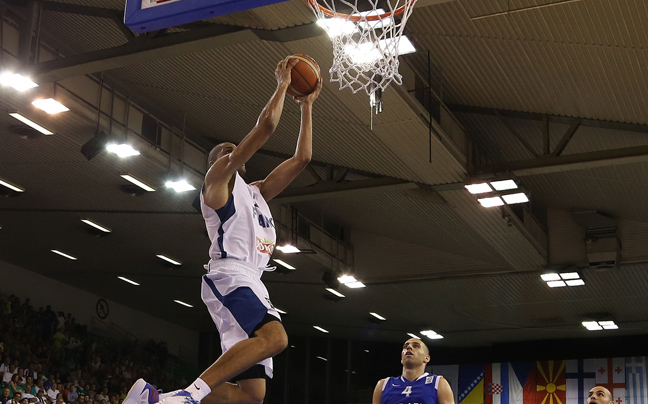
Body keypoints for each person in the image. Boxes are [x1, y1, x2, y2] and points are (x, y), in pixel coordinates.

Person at [124, 56, 321, 404]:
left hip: (253, 282)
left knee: (251, 397)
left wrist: (306, 105)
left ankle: (156, 399)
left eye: (234, 149)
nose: (231, 150)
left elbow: (302, 159)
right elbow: (265, 129)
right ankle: (188, 395)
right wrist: (282, 85)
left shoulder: (256, 191)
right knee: (276, 338)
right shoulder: (216, 183)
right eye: (224, 151)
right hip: (230, 276)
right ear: (215, 162)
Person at [372, 338, 456, 404]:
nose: (409, 347)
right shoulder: (383, 384)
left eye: (416, 346)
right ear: (401, 358)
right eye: (405, 347)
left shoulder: (438, 383)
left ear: (426, 358)